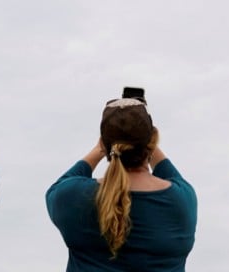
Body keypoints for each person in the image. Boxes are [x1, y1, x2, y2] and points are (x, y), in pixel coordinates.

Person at [46, 95, 197, 271]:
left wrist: (98, 151)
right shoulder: (181, 200)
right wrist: (149, 143)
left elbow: (59, 186)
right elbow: (173, 178)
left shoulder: (74, 197)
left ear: (104, 143)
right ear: (152, 141)